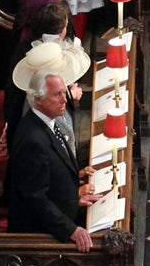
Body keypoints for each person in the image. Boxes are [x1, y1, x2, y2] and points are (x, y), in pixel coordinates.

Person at [7, 69, 100, 252]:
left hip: (62, 211)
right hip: (40, 236)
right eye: (57, 95)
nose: (65, 99)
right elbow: (35, 197)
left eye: (64, 92)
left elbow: (50, 173)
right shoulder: (32, 139)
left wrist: (74, 199)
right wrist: (70, 230)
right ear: (38, 99)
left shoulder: (48, 121)